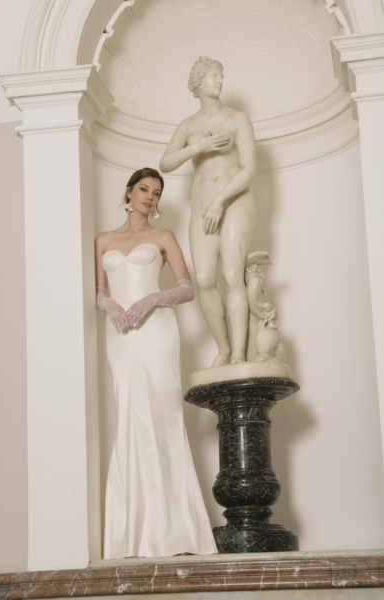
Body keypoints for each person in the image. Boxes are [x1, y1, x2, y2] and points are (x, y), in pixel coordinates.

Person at [95, 167, 217, 559]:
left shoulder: (163, 237)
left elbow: (187, 288)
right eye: (144, 189)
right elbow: (98, 291)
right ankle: (131, 534)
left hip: (157, 331)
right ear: (128, 191)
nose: (151, 196)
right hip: (120, 334)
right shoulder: (103, 240)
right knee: (130, 415)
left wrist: (153, 299)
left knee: (163, 416)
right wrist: (108, 303)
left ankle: (176, 532)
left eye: (158, 192)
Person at [160, 56, 257, 367]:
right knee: (203, 279)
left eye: (221, 75)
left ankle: (239, 354)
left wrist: (220, 200)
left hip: (234, 200)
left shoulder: (237, 119)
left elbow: (249, 170)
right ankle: (224, 349)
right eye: (213, 76)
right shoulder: (188, 126)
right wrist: (198, 148)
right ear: (198, 83)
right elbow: (166, 163)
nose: (219, 81)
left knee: (232, 275)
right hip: (201, 206)